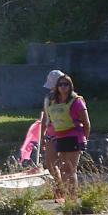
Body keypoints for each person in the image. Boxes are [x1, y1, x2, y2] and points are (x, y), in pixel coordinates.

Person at [46, 74, 90, 202]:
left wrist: (84, 139)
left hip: (74, 137)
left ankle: (73, 199)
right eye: (60, 84)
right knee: (64, 169)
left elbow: (86, 123)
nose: (63, 87)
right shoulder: (55, 101)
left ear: (70, 86)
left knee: (71, 169)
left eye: (66, 84)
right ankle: (65, 197)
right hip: (60, 137)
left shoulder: (77, 101)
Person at [40, 69, 65, 201]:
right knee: (55, 164)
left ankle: (60, 191)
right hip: (60, 133)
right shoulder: (70, 97)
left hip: (56, 133)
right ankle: (60, 190)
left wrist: (43, 134)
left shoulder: (51, 98)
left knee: (52, 164)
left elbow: (45, 118)